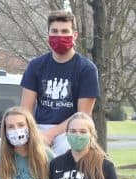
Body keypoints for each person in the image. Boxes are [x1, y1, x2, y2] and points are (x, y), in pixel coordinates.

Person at [20, 9, 99, 155]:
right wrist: (36, 133)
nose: (59, 36)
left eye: (64, 31)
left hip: (71, 129)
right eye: (54, 31)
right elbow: (25, 110)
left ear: (74, 35)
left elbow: (83, 115)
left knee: (66, 149)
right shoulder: (35, 66)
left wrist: (51, 134)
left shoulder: (87, 69)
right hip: (37, 127)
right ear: (48, 35)